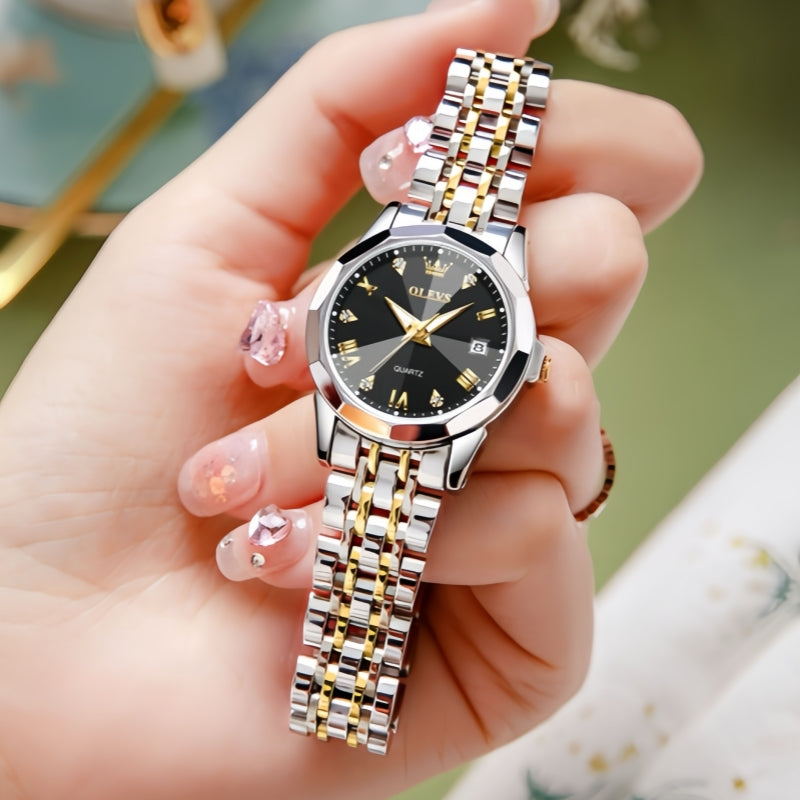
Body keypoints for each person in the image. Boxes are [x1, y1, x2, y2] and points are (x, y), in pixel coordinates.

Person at [0, 0, 702, 798]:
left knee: (588, 252)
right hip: (361, 400)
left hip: (414, 427)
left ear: (520, 365)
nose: (420, 332)